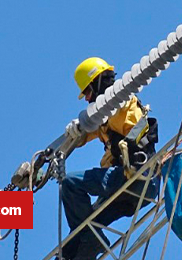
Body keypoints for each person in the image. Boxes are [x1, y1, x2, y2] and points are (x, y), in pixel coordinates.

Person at [60, 57, 160, 260]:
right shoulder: (107, 115)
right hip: (135, 190)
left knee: (70, 183)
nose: (88, 99)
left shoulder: (121, 103)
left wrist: (86, 119)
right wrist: (73, 134)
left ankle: (91, 242)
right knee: (82, 233)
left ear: (99, 84)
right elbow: (86, 133)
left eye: (88, 93)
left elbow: (112, 121)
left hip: (133, 176)